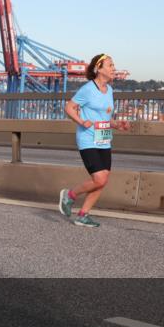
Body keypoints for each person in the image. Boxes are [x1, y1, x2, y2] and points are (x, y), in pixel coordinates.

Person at [58, 53, 131, 228]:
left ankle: (83, 215)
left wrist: (117, 124)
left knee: (103, 180)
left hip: (103, 138)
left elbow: (104, 117)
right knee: (99, 179)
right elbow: (69, 107)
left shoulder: (110, 90)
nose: (114, 68)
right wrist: (81, 121)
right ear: (99, 69)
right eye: (110, 65)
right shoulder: (88, 89)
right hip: (87, 138)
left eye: (113, 65)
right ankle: (69, 196)